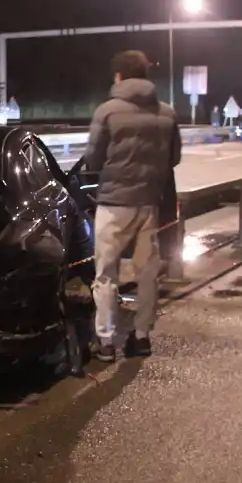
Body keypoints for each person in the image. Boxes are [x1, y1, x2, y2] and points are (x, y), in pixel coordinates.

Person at [84, 50, 181, 361]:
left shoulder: (107, 112)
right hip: (149, 204)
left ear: (118, 77)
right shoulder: (167, 113)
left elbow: (93, 160)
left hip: (113, 204)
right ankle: (141, 337)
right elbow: (174, 158)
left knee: (106, 273)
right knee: (147, 272)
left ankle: (106, 341)